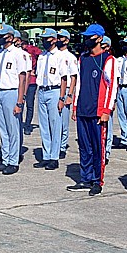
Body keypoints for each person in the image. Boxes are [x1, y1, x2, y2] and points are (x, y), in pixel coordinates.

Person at [68, 24, 117, 196]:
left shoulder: (108, 60)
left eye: (90, 37)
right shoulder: (83, 58)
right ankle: (85, 177)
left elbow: (112, 87)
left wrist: (106, 110)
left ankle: (97, 180)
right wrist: (75, 106)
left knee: (98, 147)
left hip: (98, 112)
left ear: (99, 38)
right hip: (83, 109)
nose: (87, 40)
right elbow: (79, 84)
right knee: (84, 146)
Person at [0, 25, 29, 175]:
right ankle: (4, 159)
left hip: (11, 92)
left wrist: (20, 101)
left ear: (10, 37)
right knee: (3, 129)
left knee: (13, 128)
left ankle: (13, 161)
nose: (0, 38)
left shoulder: (18, 54)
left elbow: (22, 78)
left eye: (3, 35)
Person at [34, 28, 68, 171]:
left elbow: (64, 78)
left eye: (46, 39)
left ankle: (54, 157)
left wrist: (62, 98)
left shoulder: (60, 56)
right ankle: (46, 155)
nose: (44, 42)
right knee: (44, 126)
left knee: (55, 125)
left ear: (54, 40)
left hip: (54, 91)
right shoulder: (42, 56)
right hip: (42, 90)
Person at [57, 29, 78, 159]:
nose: (59, 39)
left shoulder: (70, 57)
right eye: (58, 37)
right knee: (54, 121)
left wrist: (70, 95)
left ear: (67, 40)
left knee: (63, 121)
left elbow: (73, 77)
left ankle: (62, 146)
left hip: (66, 91)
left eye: (61, 37)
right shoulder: (53, 54)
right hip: (55, 90)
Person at [21, 34, 42, 135]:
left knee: (29, 104)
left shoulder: (33, 49)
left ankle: (28, 125)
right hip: (21, 80)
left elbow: (42, 58)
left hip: (31, 81)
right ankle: (20, 124)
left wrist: (36, 70)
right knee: (20, 102)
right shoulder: (18, 51)